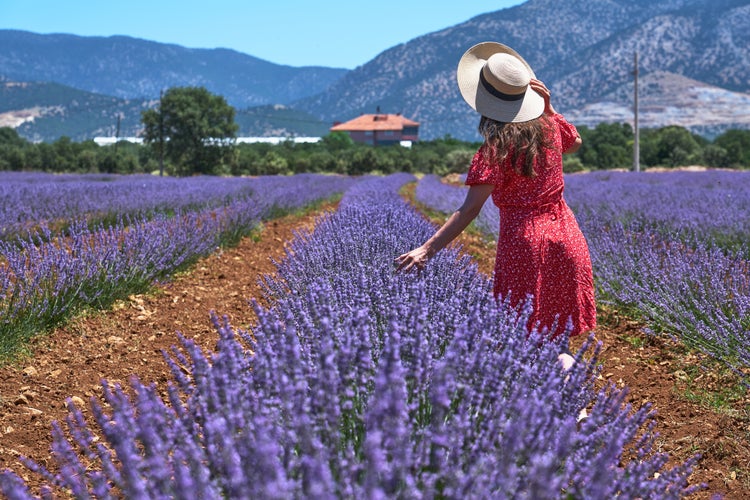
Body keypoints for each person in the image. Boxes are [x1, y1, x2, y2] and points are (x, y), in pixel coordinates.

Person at [394, 42, 596, 367]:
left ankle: (557, 410)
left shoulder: (494, 150)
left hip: (525, 246)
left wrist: (427, 249)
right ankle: (578, 410)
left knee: (524, 338)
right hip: (566, 238)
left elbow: (469, 209)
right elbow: (575, 142)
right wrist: (549, 109)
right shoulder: (549, 131)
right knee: (556, 338)